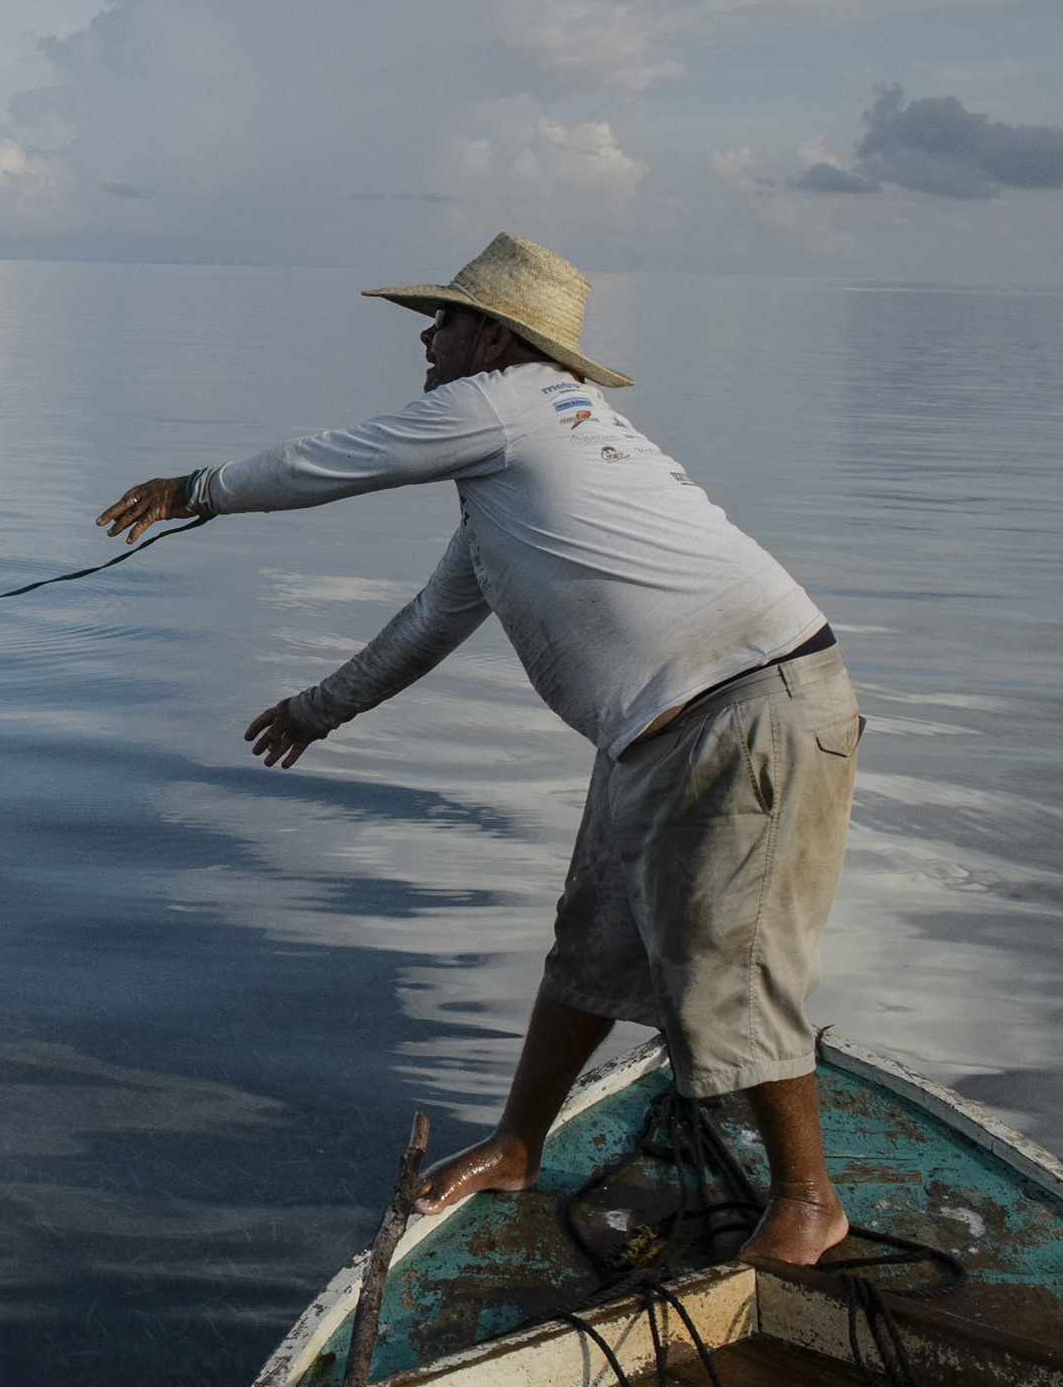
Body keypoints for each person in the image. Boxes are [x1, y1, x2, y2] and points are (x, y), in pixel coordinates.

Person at [98, 233, 865, 1266]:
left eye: (446, 319)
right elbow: (431, 621)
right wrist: (318, 709)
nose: (428, 334)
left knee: (732, 958)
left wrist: (194, 486)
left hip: (747, 709)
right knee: (589, 940)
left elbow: (336, 459)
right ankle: (516, 1141)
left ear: (495, 337)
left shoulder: (505, 405)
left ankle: (809, 1203)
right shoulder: (516, 461)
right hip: (661, 726)